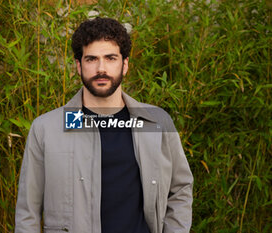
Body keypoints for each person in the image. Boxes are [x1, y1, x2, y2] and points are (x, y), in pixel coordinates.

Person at [15, 17, 193, 233]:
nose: (101, 68)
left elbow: (181, 188)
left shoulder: (156, 122)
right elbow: (28, 211)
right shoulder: (47, 129)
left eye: (110, 58)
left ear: (125, 65)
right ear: (79, 66)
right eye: (91, 59)